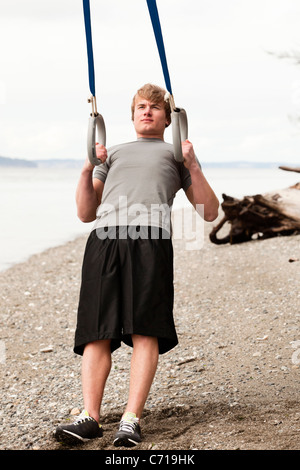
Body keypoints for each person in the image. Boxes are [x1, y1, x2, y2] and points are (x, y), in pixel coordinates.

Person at [54, 83, 219, 447]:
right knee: (97, 331)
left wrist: (192, 164)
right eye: (141, 107)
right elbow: (85, 213)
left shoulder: (176, 155)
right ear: (132, 116)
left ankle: (131, 420)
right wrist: (86, 169)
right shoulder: (110, 154)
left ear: (167, 118)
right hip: (104, 241)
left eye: (155, 108)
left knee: (146, 329)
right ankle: (90, 417)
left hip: (150, 241)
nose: (147, 111)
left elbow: (209, 212)